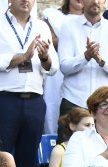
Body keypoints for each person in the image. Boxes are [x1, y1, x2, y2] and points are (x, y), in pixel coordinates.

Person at [0, 0, 58, 167]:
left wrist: (44, 57)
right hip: (4, 100)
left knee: (28, 160)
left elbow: (53, 67)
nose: (26, 1)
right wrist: (22, 57)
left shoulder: (41, 26)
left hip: (34, 101)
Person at [57, 0, 108, 115]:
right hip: (74, 102)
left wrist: (102, 61)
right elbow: (64, 67)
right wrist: (86, 57)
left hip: (104, 105)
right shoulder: (68, 27)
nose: (95, 1)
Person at [41, 0, 84, 135]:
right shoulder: (52, 15)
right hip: (57, 73)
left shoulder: (96, 22)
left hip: (81, 73)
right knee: (53, 110)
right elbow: (52, 41)